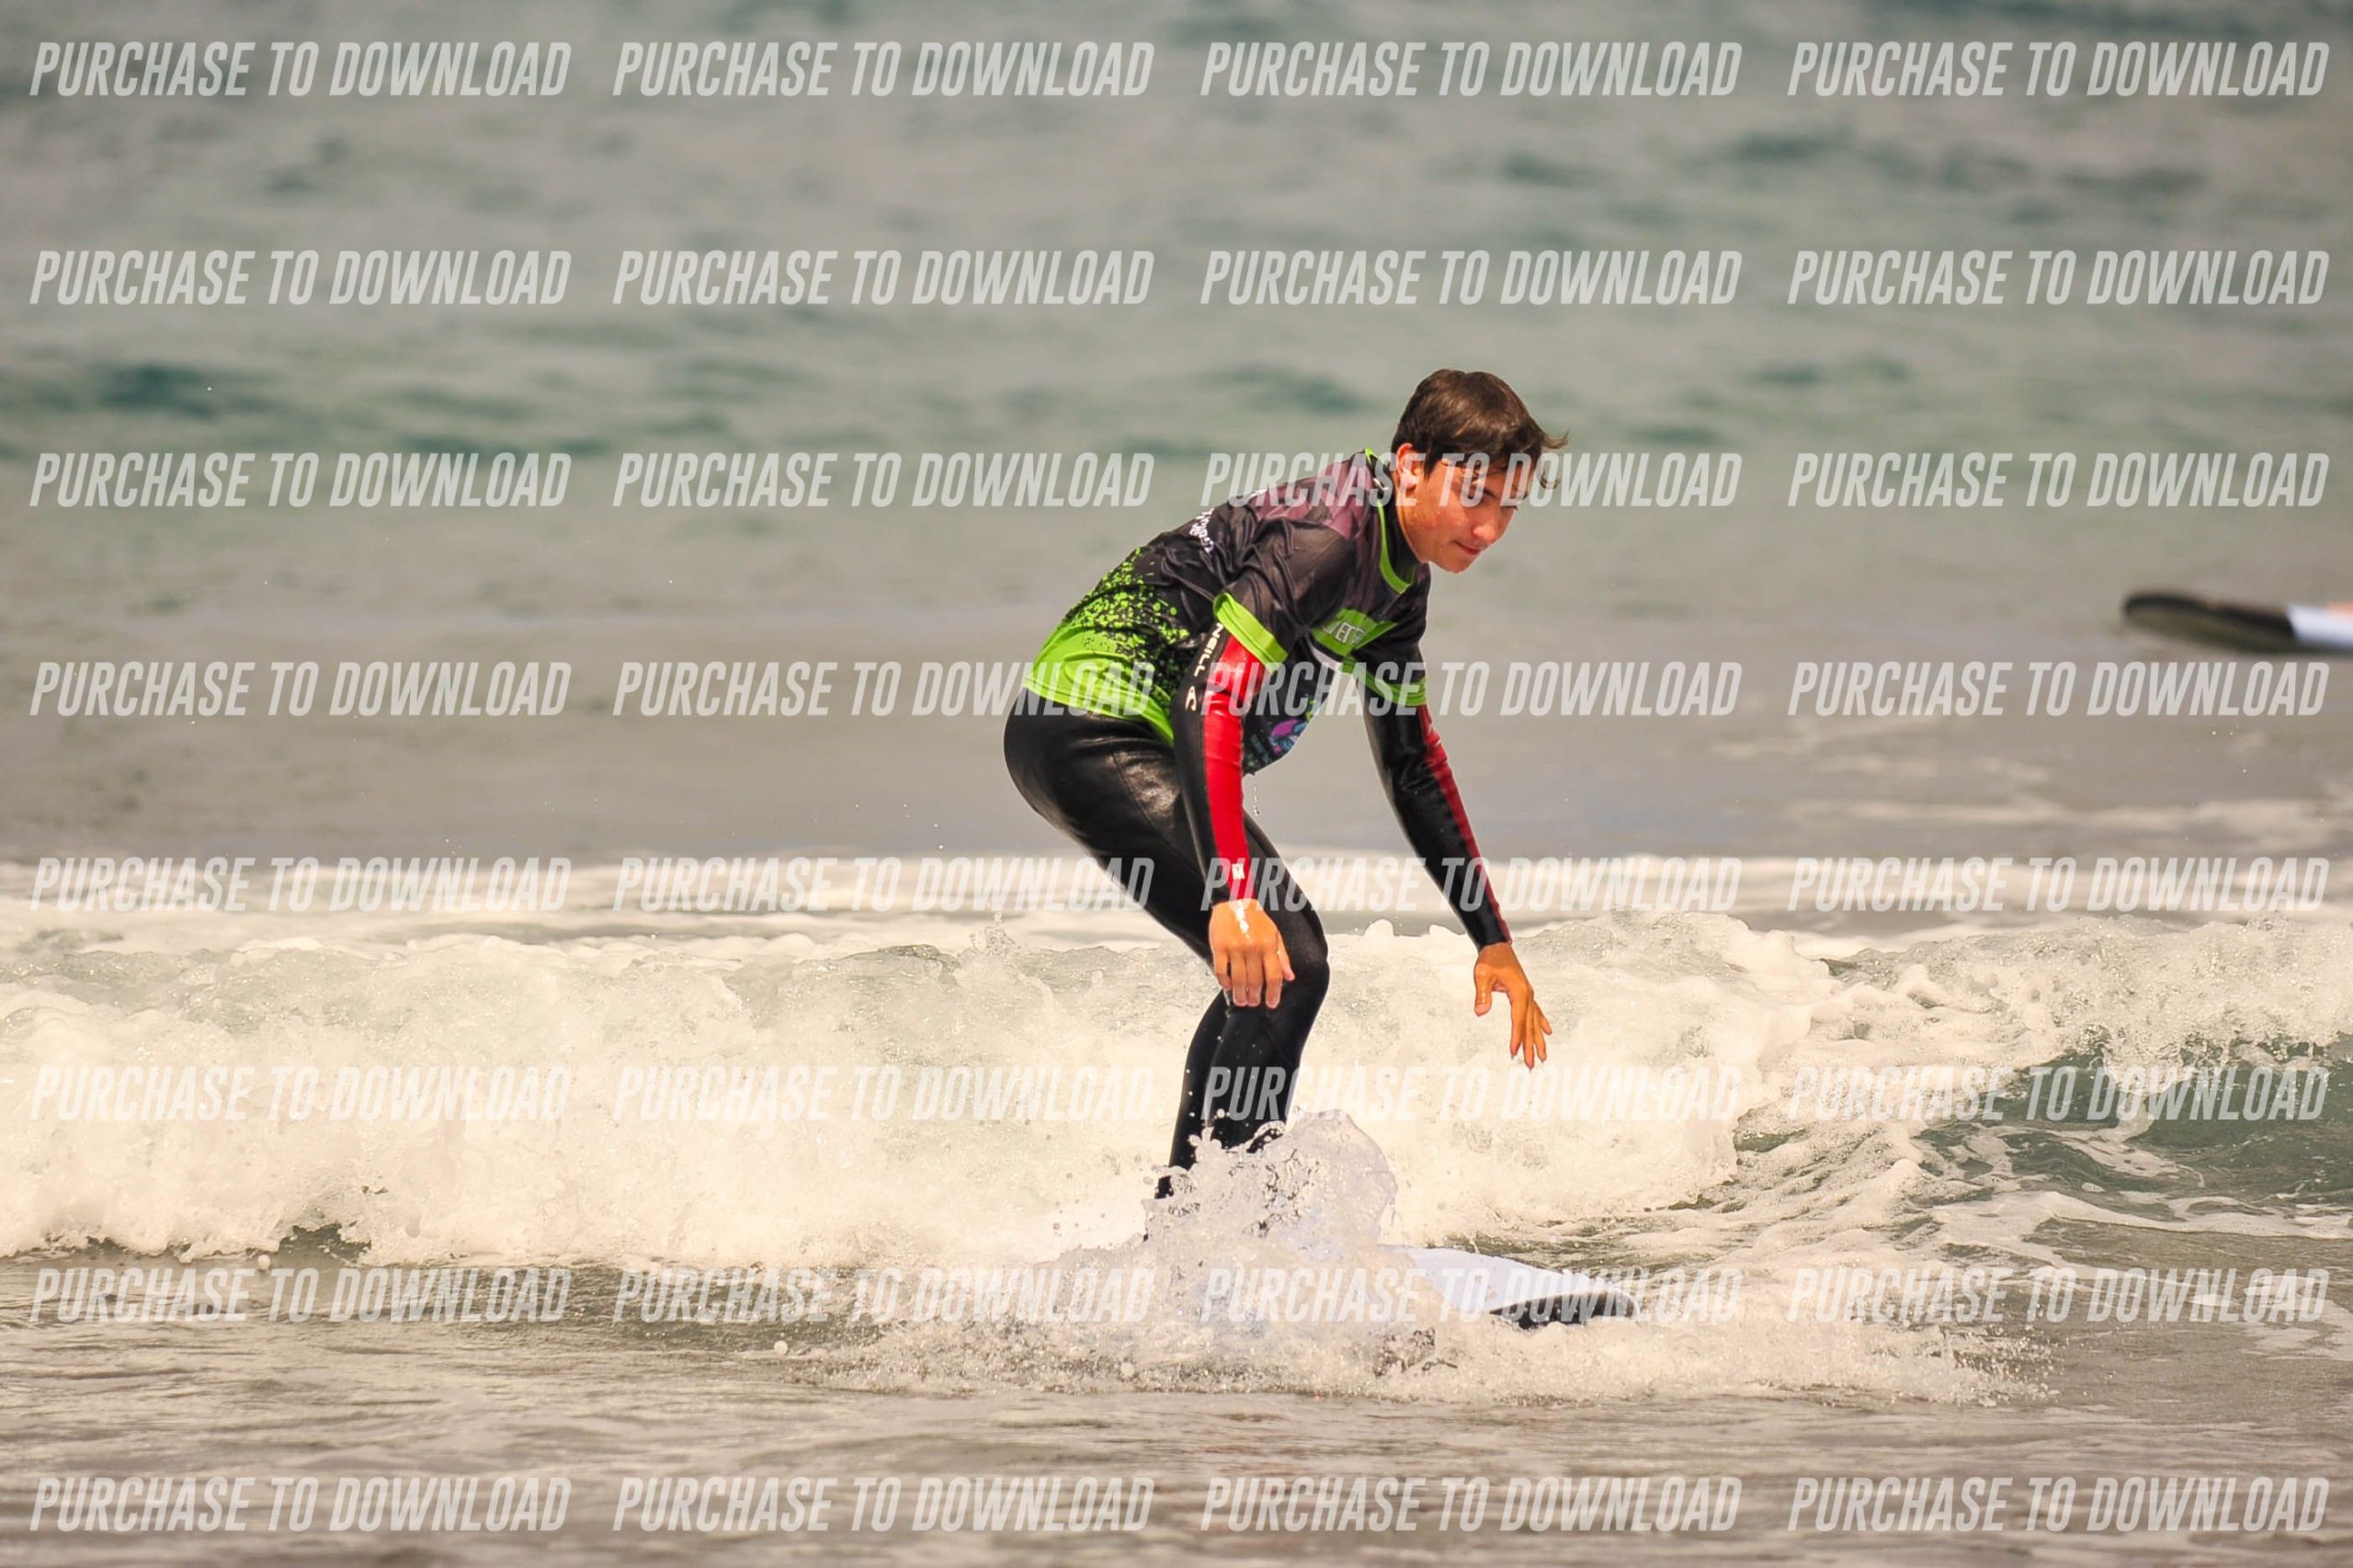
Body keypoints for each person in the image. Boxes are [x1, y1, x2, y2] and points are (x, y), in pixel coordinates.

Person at [1004, 369, 1560, 1194]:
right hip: (1090, 720)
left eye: (1509, 507)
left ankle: (1192, 1220)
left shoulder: (1398, 583)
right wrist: (1234, 894)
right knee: (1288, 958)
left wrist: (1493, 939)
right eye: (1474, 496)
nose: (1489, 528)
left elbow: (1411, 763)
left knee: (1267, 975)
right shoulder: (1328, 538)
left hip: (1118, 731)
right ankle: (1222, 1225)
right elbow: (1212, 698)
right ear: (1411, 466)